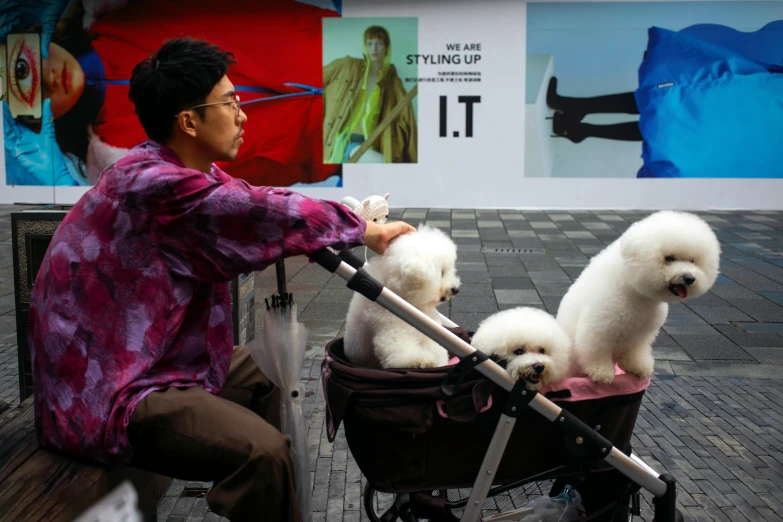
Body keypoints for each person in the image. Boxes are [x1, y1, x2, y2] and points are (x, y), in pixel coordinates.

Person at [27, 37, 415, 522]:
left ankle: (273, 504)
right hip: (108, 390)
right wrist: (363, 230)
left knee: (268, 379)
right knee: (263, 452)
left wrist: (348, 220)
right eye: (230, 102)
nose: (242, 114)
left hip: (152, 356)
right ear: (188, 120)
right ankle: (266, 488)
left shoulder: (170, 168)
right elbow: (254, 211)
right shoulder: (157, 185)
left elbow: (252, 198)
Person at [2, 0, 342, 187]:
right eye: (31, 96)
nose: (48, 79)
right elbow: (240, 175)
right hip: (327, 144)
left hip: (328, 42)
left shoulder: (123, 14)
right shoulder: (122, 154)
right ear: (34, 124)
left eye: (26, 63)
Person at [545, 20, 783, 178]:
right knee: (680, 98)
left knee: (684, 129)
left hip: (770, 127)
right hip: (768, 98)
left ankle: (581, 123)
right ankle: (578, 113)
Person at [323, 25, 418, 164]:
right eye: (370, 43)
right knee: (380, 164)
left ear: (386, 48)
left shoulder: (392, 82)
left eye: (379, 44)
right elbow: (311, 80)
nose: (374, 48)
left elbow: (407, 119)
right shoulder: (348, 66)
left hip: (373, 144)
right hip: (345, 142)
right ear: (365, 46)